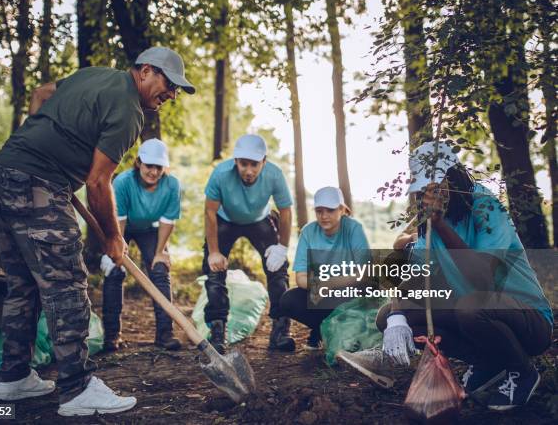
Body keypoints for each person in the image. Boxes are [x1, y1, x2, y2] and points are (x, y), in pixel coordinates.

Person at [0, 47, 195, 416]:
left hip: (1, 175)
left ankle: (14, 377)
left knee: (24, 284)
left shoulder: (93, 75)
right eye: (169, 84)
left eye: (177, 89)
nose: (172, 95)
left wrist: (38, 139)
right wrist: (113, 238)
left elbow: (42, 94)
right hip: (35, 185)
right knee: (66, 282)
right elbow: (98, 182)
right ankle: (76, 388)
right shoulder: (130, 110)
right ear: (145, 71)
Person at [351, 141, 553, 411]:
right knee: (389, 315)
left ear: (454, 178)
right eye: (423, 189)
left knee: (470, 306)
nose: (429, 195)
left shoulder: (486, 207)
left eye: (435, 187)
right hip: (472, 311)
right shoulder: (428, 223)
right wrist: (398, 314)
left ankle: (522, 371)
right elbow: (418, 274)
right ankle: (486, 363)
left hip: (528, 320)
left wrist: (440, 225)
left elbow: (481, 278)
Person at [202, 134, 295, 354]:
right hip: (225, 220)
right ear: (235, 161)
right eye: (244, 164)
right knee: (214, 273)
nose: (249, 171)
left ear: (264, 161)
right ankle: (217, 331)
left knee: (278, 270)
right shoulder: (221, 174)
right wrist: (214, 251)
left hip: (259, 221)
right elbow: (210, 212)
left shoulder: (274, 174)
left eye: (255, 164)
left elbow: (285, 211)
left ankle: (280, 331)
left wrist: (282, 248)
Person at [99, 138, 181, 352]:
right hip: (121, 228)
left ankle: (165, 334)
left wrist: (160, 252)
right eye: (149, 165)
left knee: (160, 270)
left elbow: (168, 221)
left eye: (158, 167)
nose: (153, 171)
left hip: (150, 230)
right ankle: (112, 336)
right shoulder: (123, 182)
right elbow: (119, 222)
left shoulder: (172, 185)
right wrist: (114, 254)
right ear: (139, 163)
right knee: (114, 271)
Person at [280, 187, 371, 350]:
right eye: (319, 211)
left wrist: (330, 283)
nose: (324, 216)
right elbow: (300, 277)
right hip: (320, 292)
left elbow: (364, 272)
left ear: (342, 209)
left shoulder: (353, 229)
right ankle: (322, 330)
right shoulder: (308, 232)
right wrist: (319, 285)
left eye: (330, 210)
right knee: (288, 300)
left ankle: (345, 333)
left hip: (348, 292)